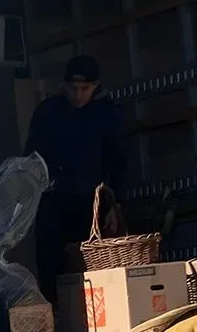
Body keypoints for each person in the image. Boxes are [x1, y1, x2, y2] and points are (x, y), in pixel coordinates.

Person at [25, 54, 128, 294]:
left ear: (96, 87)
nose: (78, 95)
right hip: (53, 204)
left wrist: (116, 204)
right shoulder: (48, 112)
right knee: (52, 271)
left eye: (85, 88)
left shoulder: (108, 115)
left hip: (92, 206)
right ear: (63, 86)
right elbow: (31, 159)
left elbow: (119, 162)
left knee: (92, 270)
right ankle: (60, 322)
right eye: (73, 88)